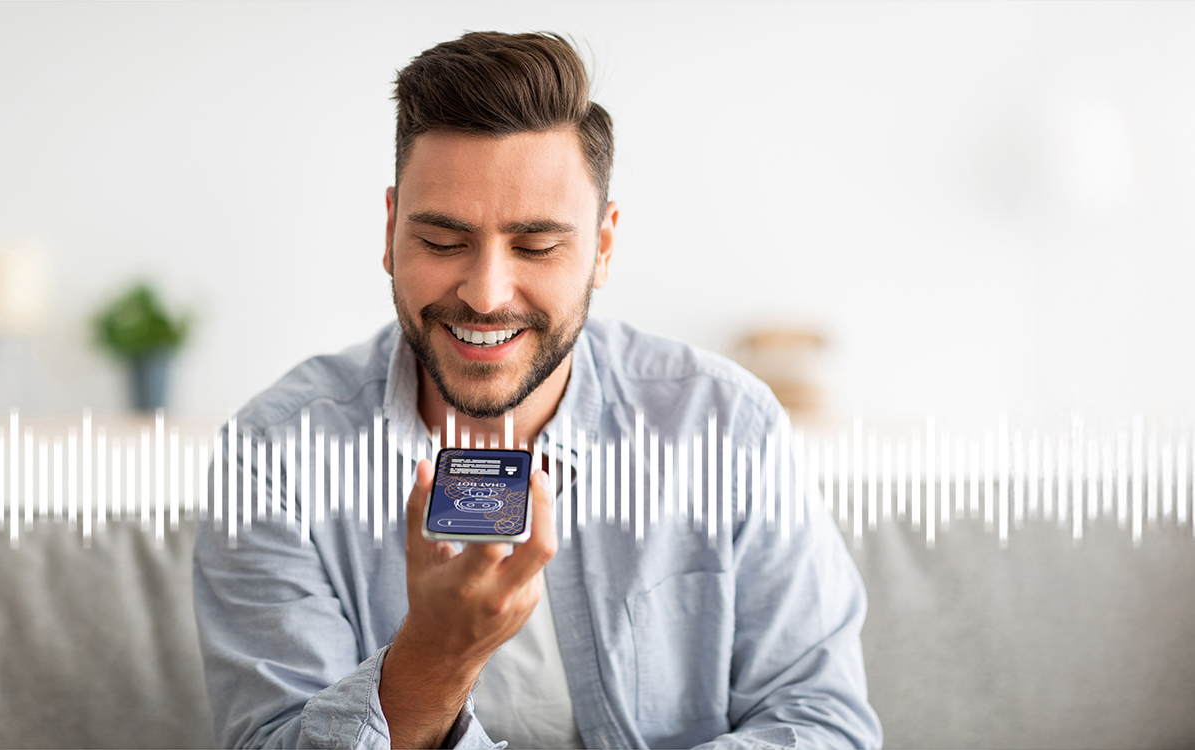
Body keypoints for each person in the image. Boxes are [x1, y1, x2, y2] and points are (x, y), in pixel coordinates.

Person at [191, 31, 882, 749]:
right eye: (443, 242)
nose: (486, 296)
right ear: (391, 229)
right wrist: (433, 659)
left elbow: (822, 723)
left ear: (602, 247)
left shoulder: (725, 425)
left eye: (537, 246)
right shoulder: (275, 457)